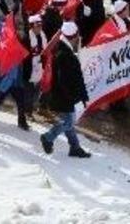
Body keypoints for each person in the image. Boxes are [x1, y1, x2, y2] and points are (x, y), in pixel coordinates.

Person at [39, 22, 91, 158]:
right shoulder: (65, 55)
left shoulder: (61, 49)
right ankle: (48, 137)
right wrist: (74, 96)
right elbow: (65, 80)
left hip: (60, 94)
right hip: (64, 96)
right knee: (69, 122)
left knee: (69, 122)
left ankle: (75, 147)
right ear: (73, 36)